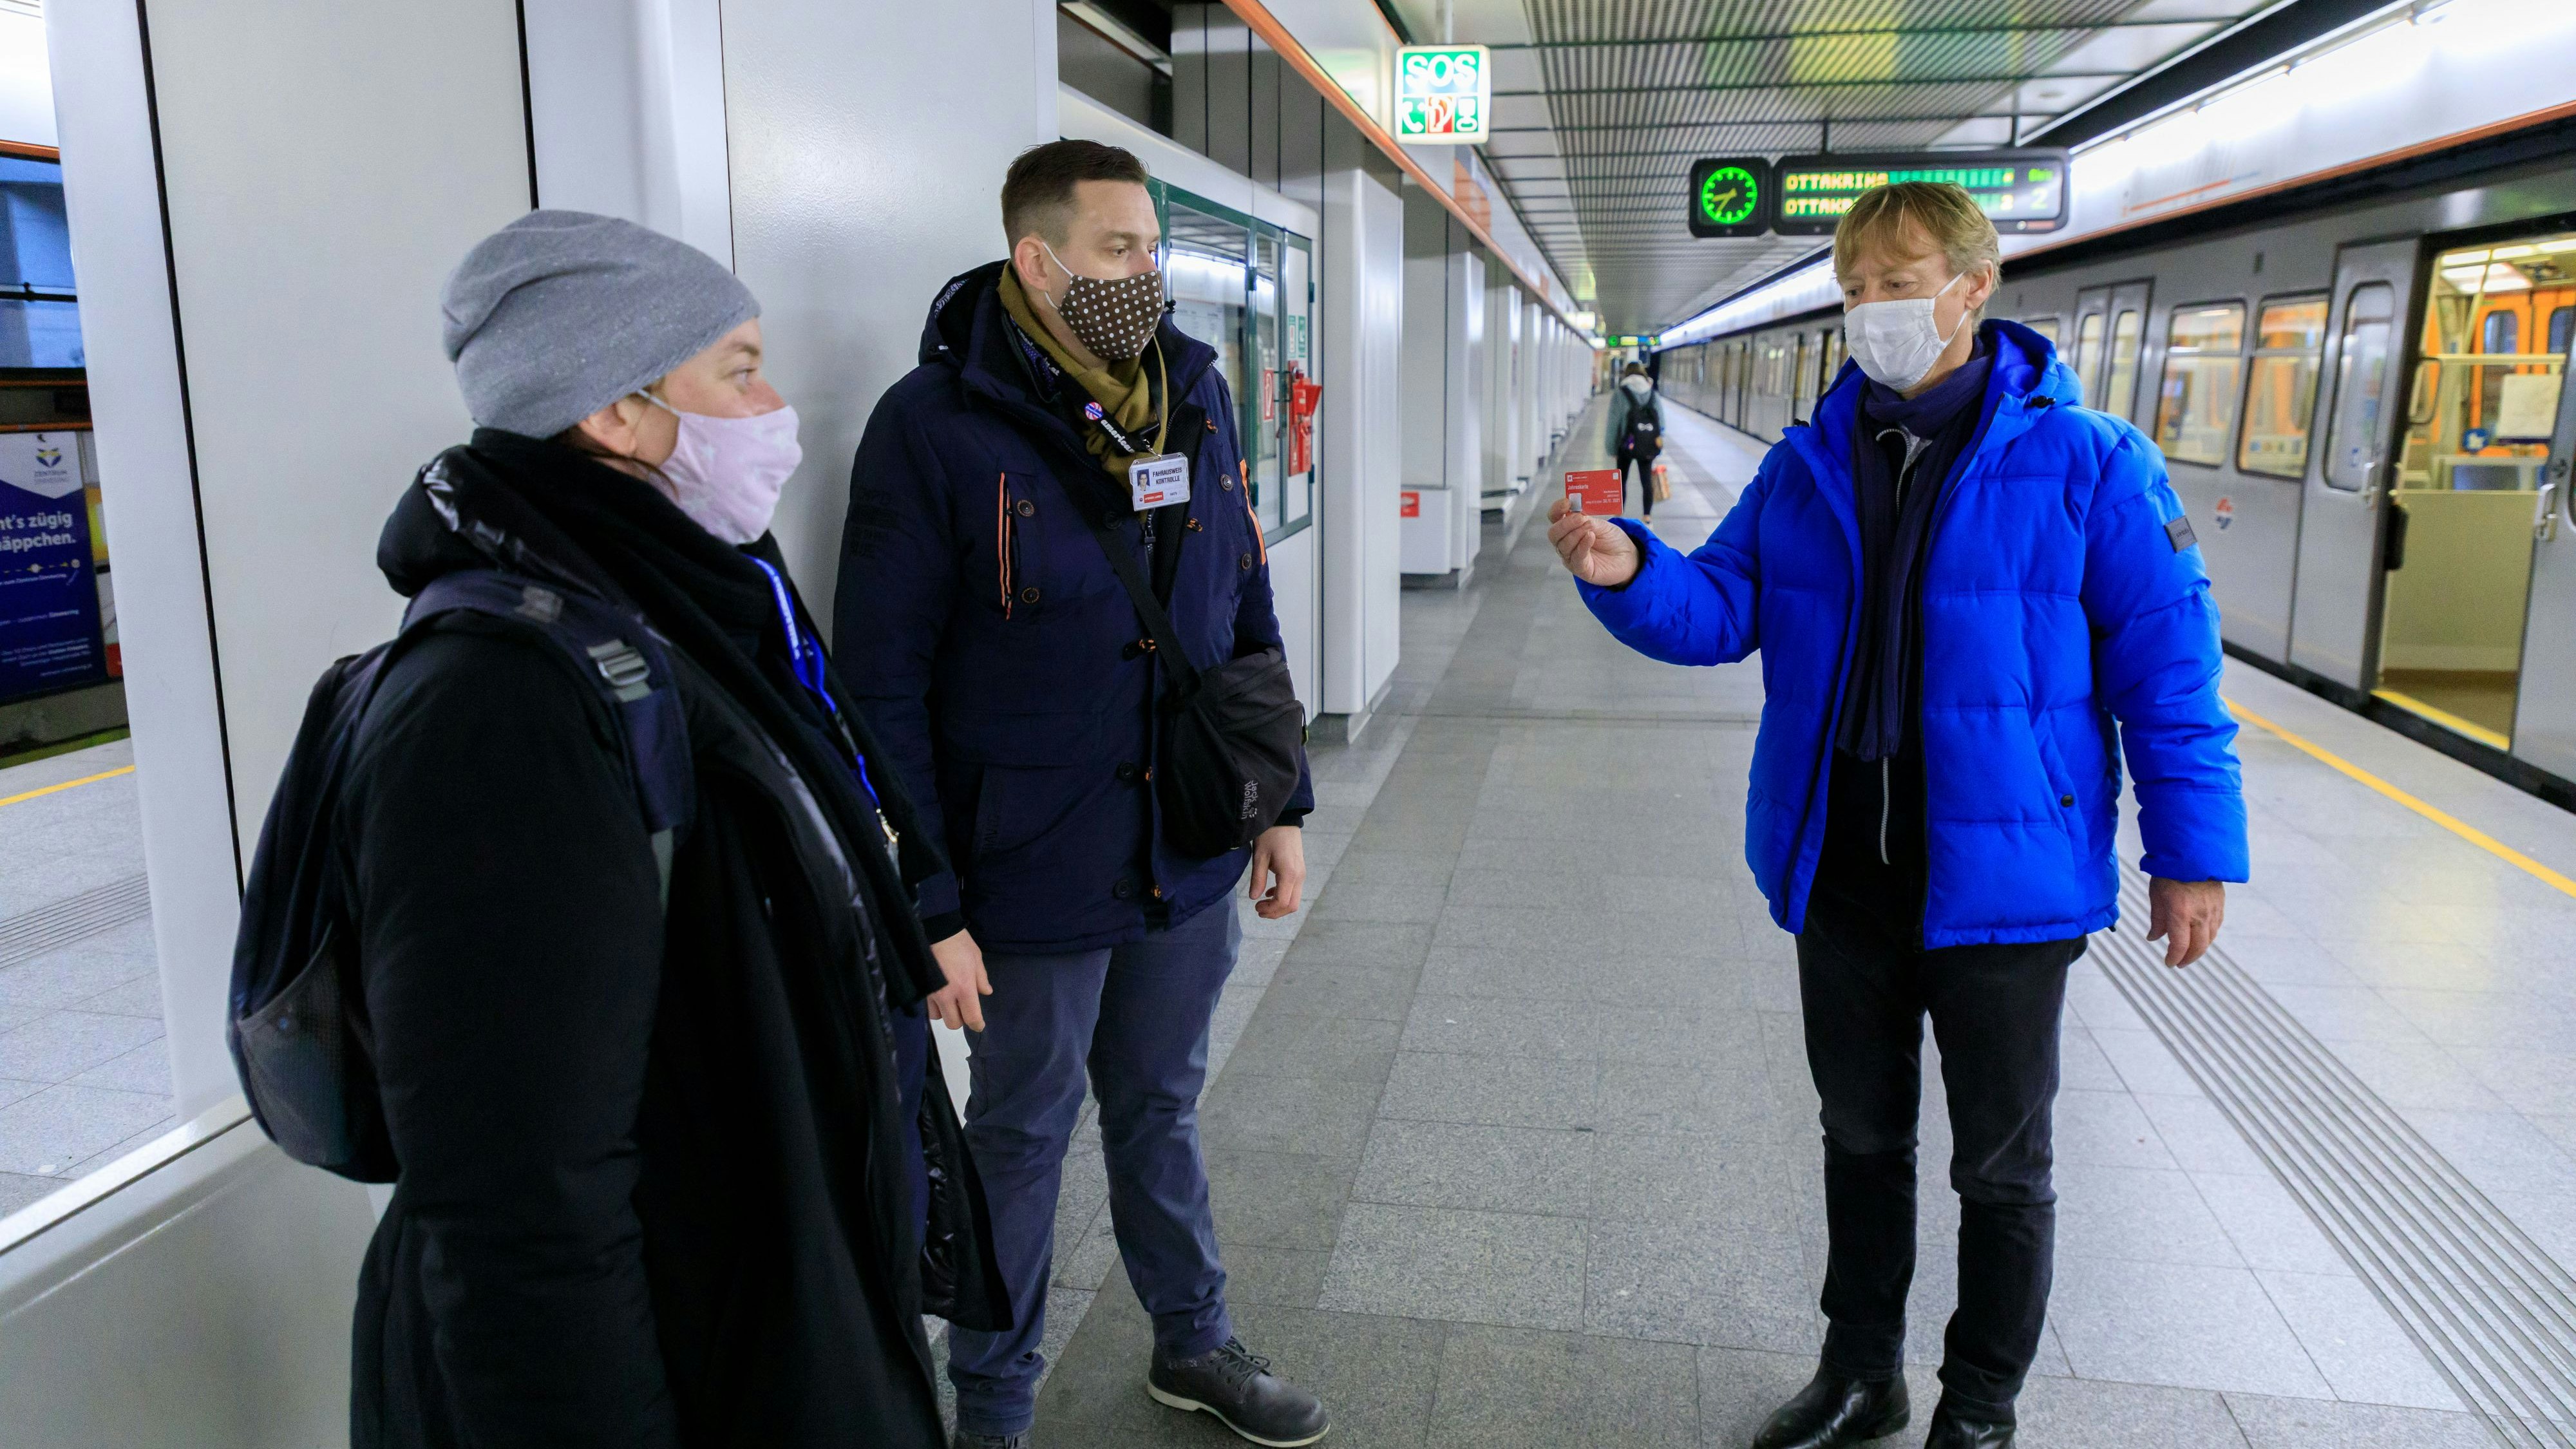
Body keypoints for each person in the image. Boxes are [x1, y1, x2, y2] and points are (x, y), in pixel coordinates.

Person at [1548, 182, 2246, 1449]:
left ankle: (1977, 1410)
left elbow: (2168, 673)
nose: (1871, 307)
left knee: (1998, 1167)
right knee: (1859, 1136)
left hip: (2004, 888)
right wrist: (1631, 571)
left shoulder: (2091, 465)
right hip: (1844, 873)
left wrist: (2190, 853)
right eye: (1854, 286)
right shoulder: (1808, 465)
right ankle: (1860, 1373)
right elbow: (1719, 610)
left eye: (1897, 279)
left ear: (1969, 290)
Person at [348, 209, 1003, 1449]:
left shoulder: (695, 614)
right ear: (617, 411)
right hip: (677, 1358)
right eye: (739, 369)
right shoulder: (504, 701)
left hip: (756, 1297)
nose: (775, 408)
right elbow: (518, 1199)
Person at [835, 140, 1329, 1449]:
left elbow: (1243, 611)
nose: (1145, 274)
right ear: (1035, 260)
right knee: (1021, 1137)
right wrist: (926, 902)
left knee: (1160, 1106)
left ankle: (1193, 1340)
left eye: (1151, 249)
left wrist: (1276, 804)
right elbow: (879, 687)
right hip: (1026, 874)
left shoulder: (1196, 391)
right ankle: (989, 1406)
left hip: (1183, 844)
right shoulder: (931, 431)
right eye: (1117, 250)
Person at [1603, 361, 1664, 519]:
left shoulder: (1620, 393)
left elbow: (1613, 424)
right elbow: (1662, 423)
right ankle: (1647, 517)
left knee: (1621, 481)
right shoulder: (1652, 392)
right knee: (1647, 481)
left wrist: (1611, 448)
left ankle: (1619, 516)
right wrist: (1655, 441)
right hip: (1647, 445)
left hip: (1625, 445)